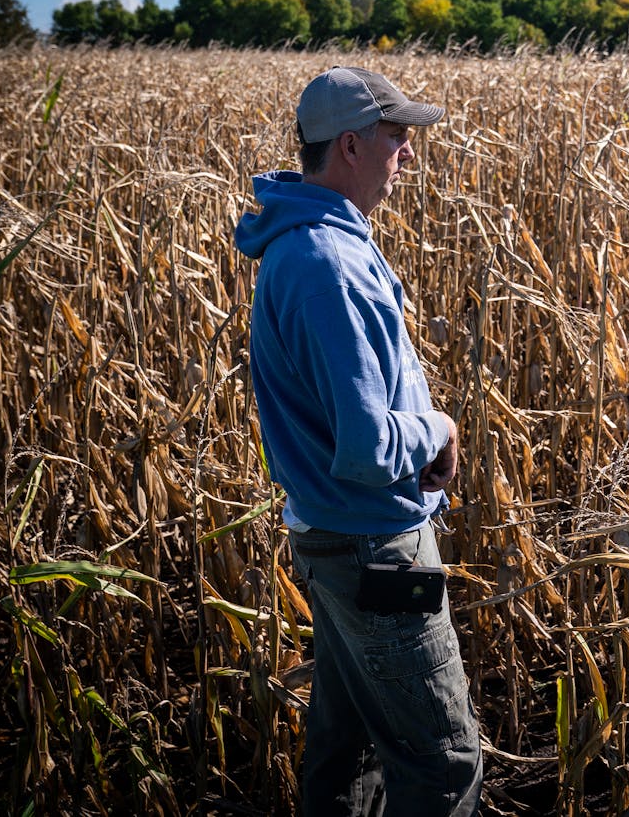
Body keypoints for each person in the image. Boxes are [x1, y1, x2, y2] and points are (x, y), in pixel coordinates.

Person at [234, 66, 482, 816]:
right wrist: (438, 427)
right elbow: (370, 445)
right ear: (349, 145)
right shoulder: (326, 265)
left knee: (351, 750)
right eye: (397, 138)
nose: (409, 155)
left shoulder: (310, 243)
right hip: (377, 549)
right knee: (445, 764)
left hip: (338, 542)